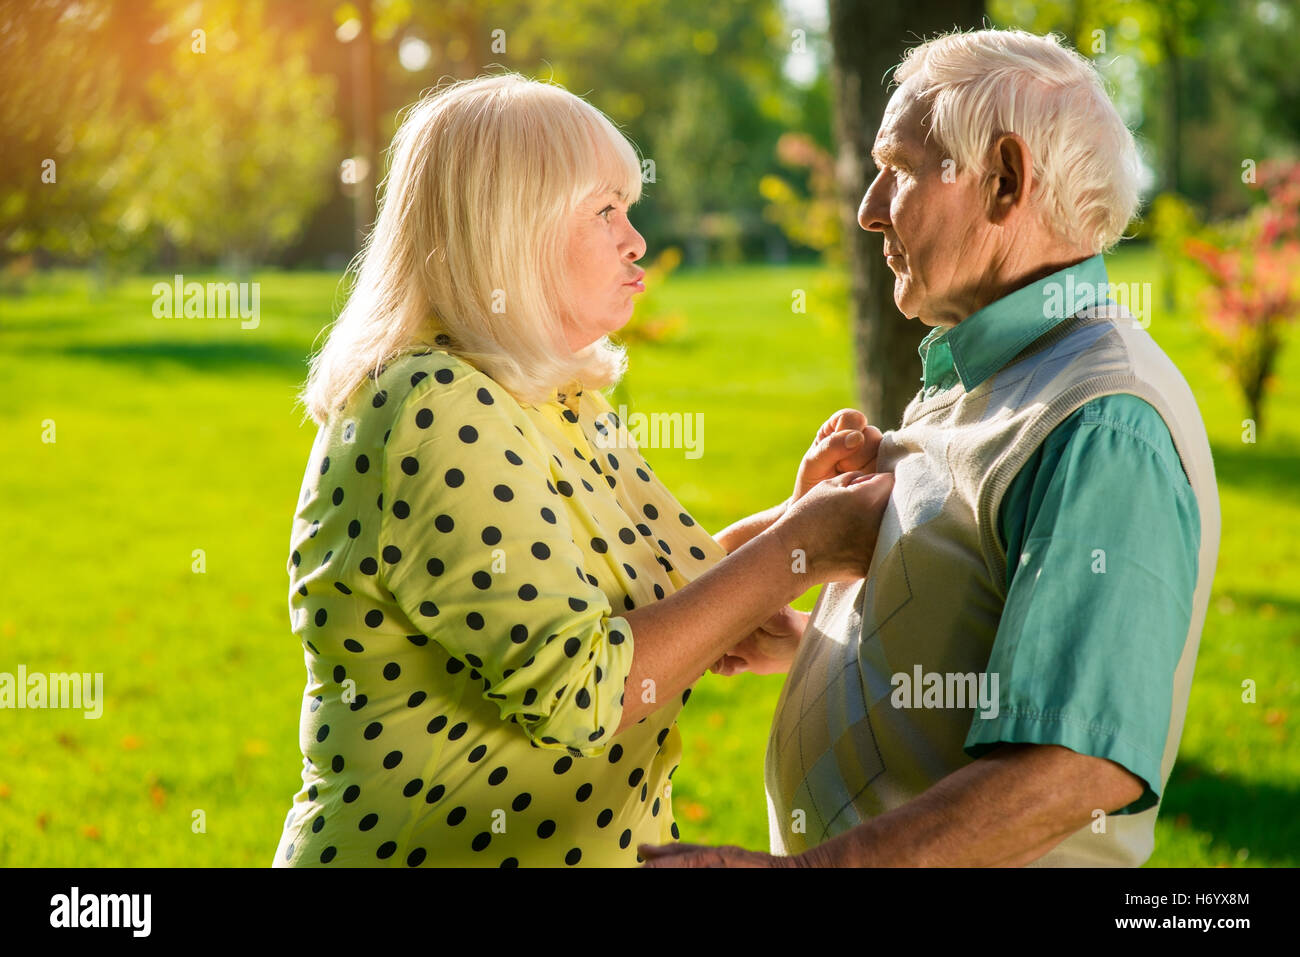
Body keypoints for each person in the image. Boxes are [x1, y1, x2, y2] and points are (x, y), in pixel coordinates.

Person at [271, 73, 894, 868]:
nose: (635, 241)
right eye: (605, 211)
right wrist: (800, 546)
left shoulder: (552, 392)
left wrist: (800, 515)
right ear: (512, 228)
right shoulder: (430, 407)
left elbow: (657, 599)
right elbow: (583, 691)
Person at [644, 27, 1220, 868]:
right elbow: (984, 638)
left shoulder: (1102, 419)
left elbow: (1070, 766)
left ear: (1004, 181)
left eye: (901, 169)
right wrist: (825, 647)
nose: (868, 206)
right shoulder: (990, 367)